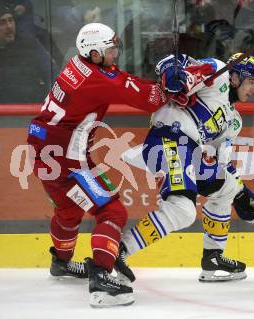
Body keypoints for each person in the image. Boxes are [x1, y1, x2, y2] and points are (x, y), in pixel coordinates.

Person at [26, 22, 168, 307]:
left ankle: (62, 262)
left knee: (69, 209)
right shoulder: (98, 78)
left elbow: (118, 77)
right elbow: (151, 99)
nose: (115, 54)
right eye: (110, 49)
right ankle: (102, 276)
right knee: (112, 211)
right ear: (93, 53)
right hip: (67, 158)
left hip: (43, 148)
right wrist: (171, 83)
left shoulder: (80, 65)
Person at [114, 52, 254, 287]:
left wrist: (241, 193)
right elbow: (173, 60)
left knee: (227, 187)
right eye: (252, 81)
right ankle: (120, 248)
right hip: (169, 139)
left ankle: (212, 257)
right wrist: (171, 73)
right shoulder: (218, 71)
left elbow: (220, 160)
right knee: (183, 210)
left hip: (191, 153)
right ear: (236, 77)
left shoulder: (234, 120)